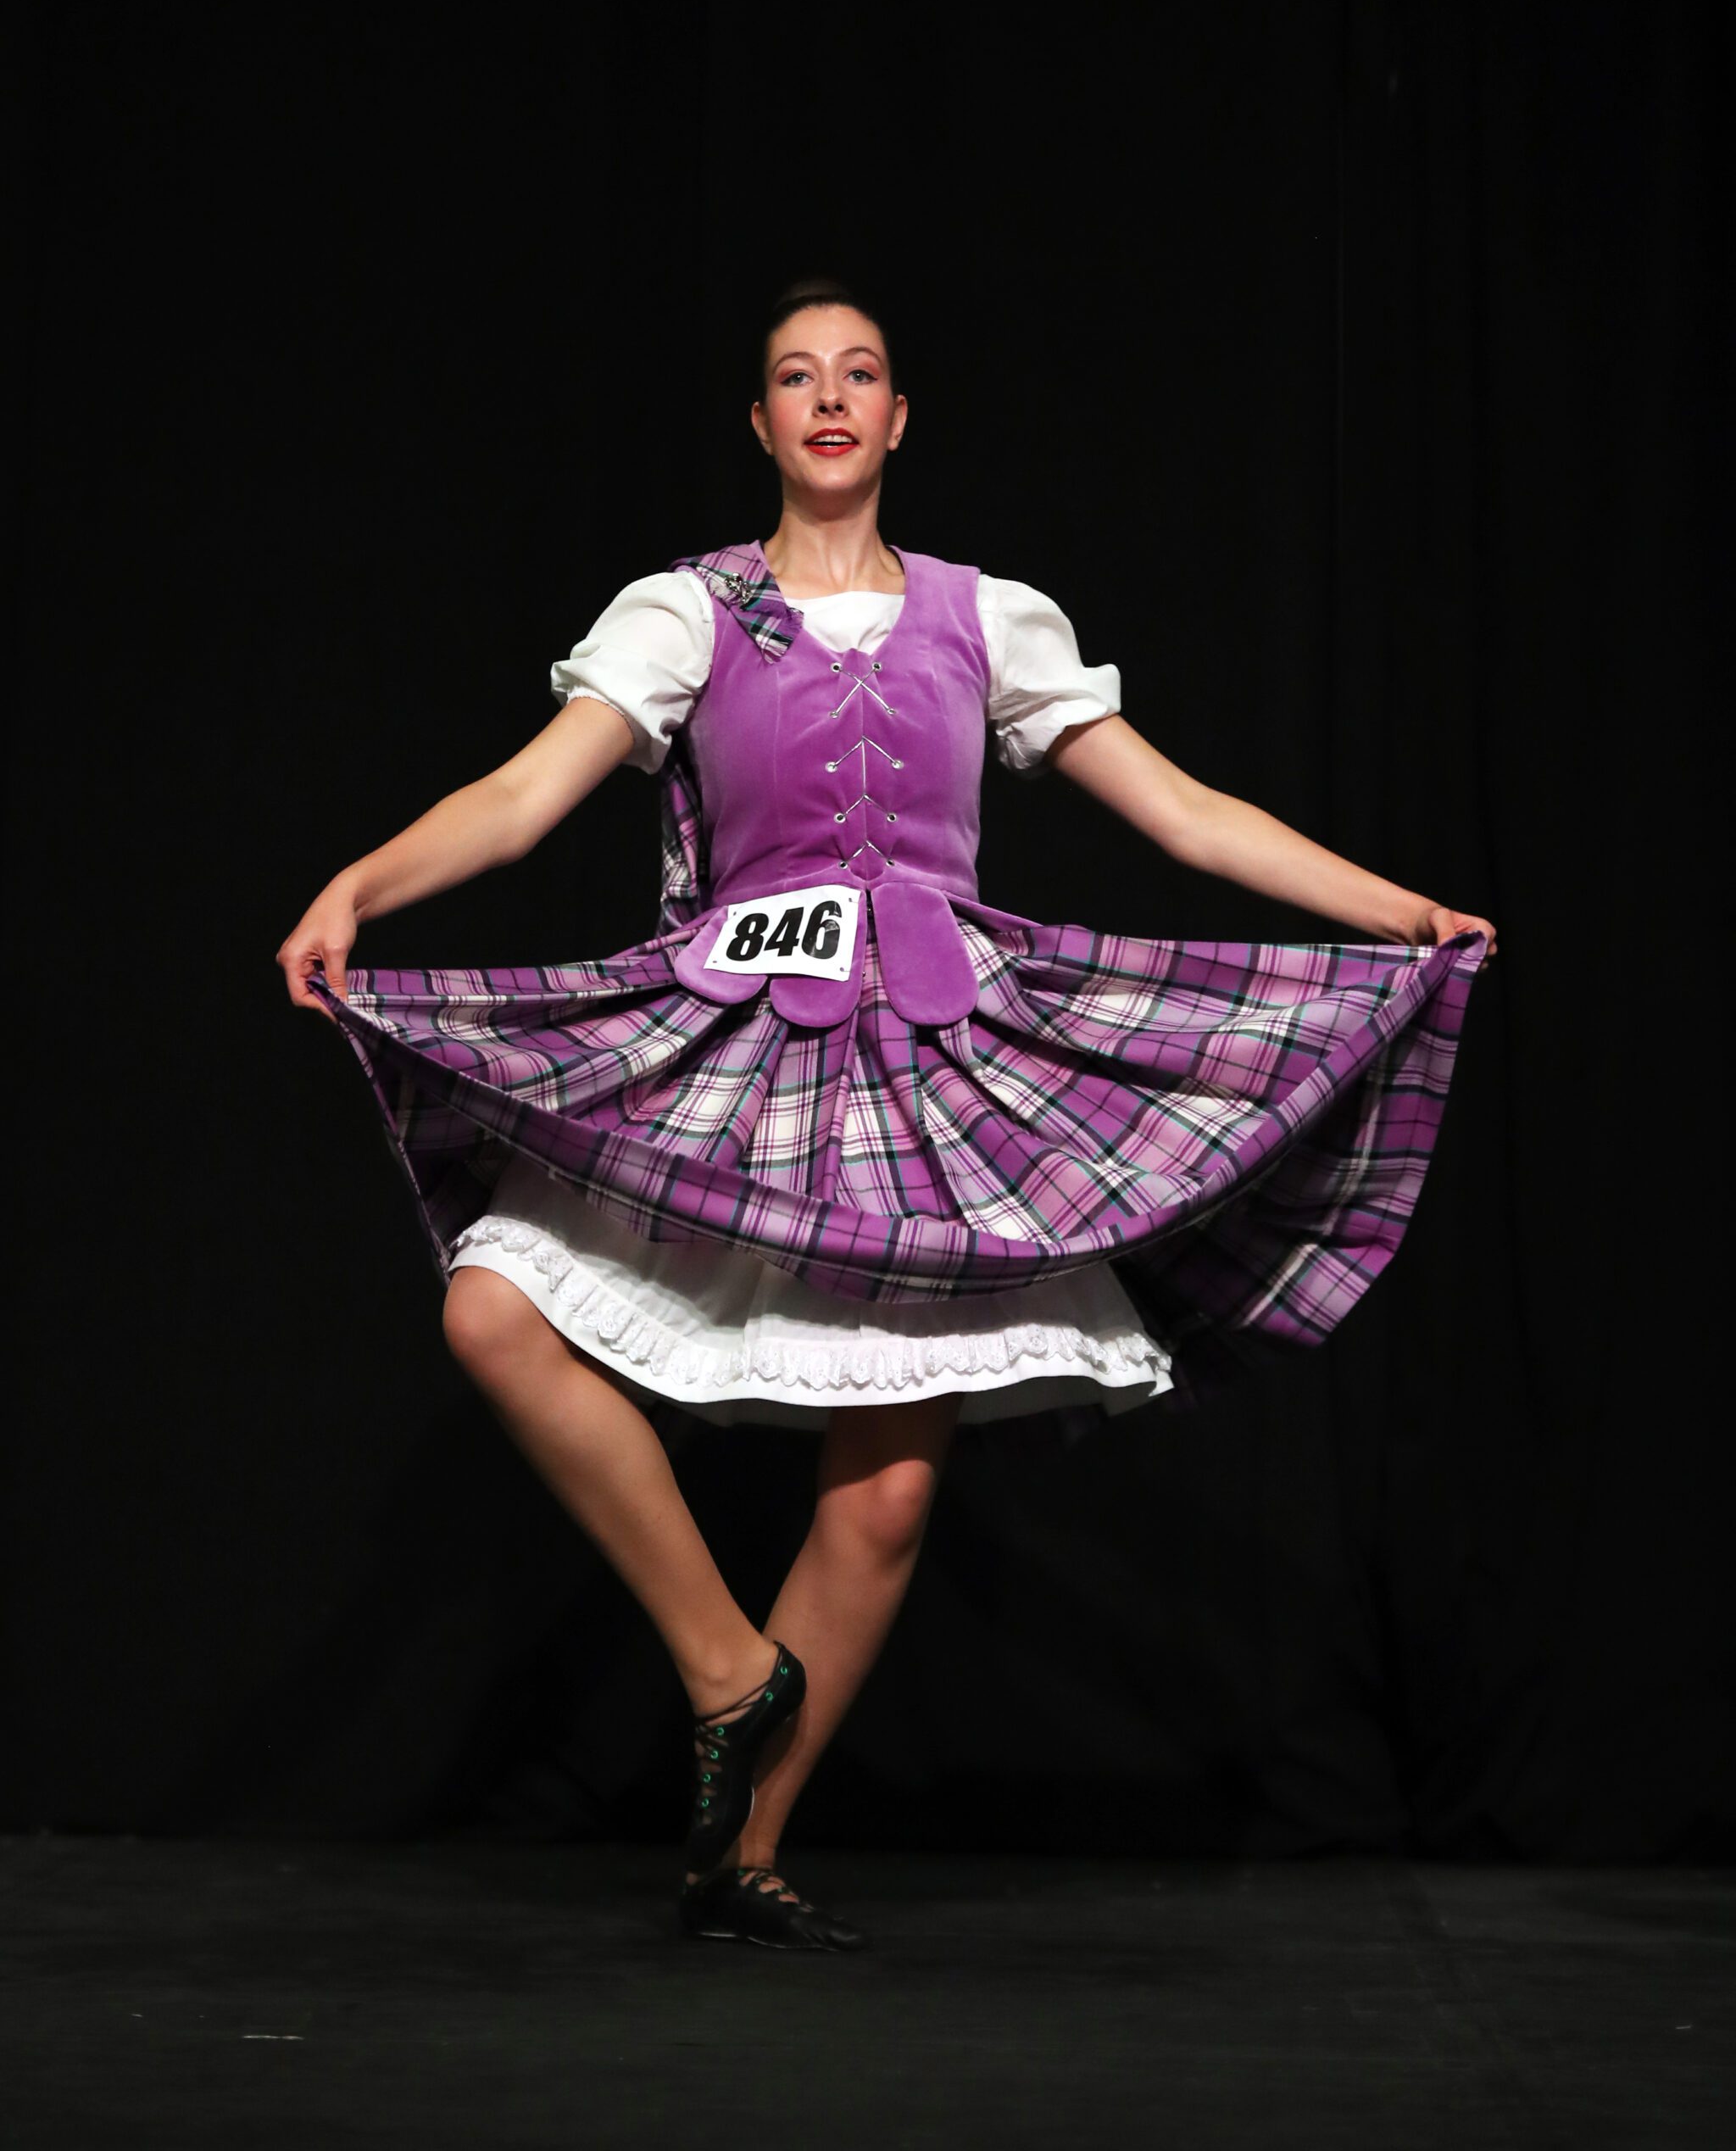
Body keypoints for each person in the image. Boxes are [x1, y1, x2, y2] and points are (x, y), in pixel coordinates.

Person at [278, 278, 1497, 1953]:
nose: (832, 398)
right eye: (798, 376)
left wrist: (1397, 911)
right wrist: (360, 884)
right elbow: (522, 791)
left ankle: (744, 1857)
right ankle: (729, 1666)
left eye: (860, 374)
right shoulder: (691, 610)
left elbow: (1185, 813)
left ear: (900, 417)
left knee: (892, 1483)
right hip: (735, 1038)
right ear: (763, 421)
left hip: (935, 1057)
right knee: (492, 1309)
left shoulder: (989, 619)